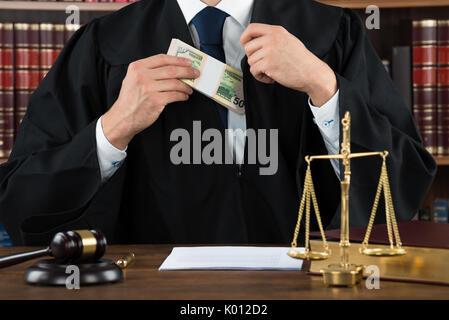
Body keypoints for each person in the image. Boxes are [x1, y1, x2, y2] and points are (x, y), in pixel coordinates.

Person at [0, 0, 436, 245]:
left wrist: (325, 87)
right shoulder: (105, 44)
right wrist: (113, 128)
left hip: (306, 287)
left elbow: (401, 191)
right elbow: (25, 207)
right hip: (149, 290)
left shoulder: (331, 33)